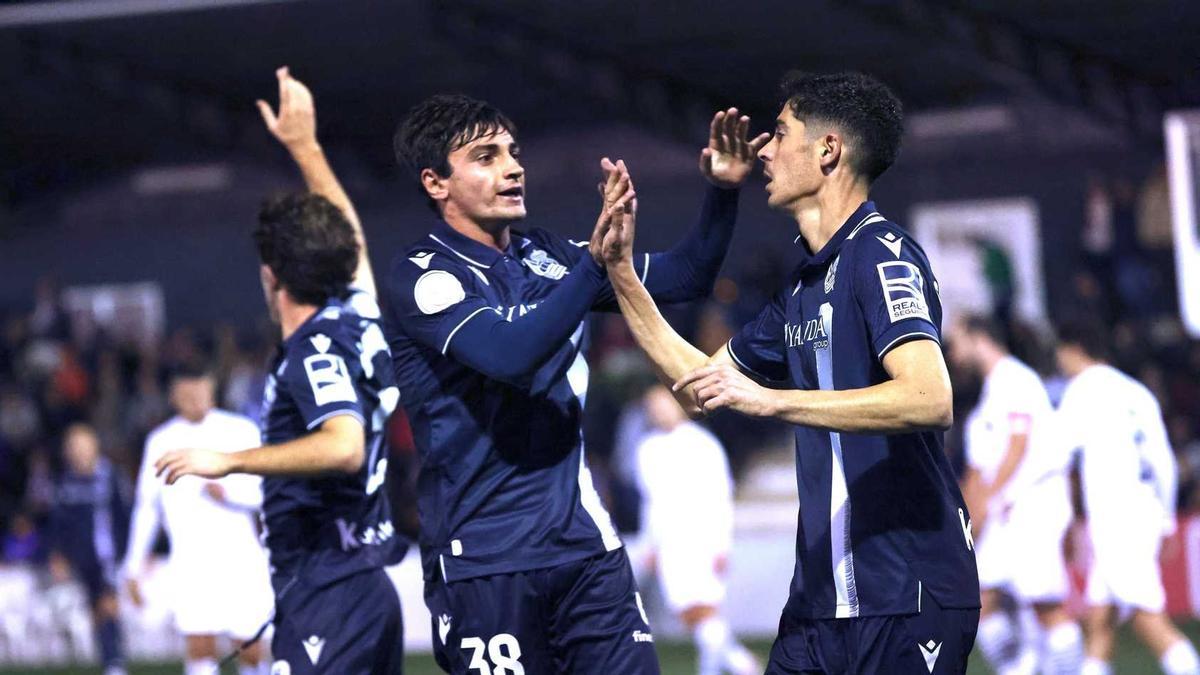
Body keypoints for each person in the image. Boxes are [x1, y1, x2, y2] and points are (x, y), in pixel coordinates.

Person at [595, 70, 980, 674]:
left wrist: (774, 401)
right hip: (818, 604)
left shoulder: (881, 254)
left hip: (906, 592)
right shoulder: (802, 289)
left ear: (828, 150)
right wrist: (621, 275)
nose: (765, 151)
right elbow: (702, 388)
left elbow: (929, 397)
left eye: (780, 133)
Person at [383, 91, 766, 673]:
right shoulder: (425, 275)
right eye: (486, 157)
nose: (512, 167)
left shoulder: (546, 255)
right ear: (436, 183)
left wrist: (722, 191)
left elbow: (686, 275)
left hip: (586, 548)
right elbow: (510, 356)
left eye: (513, 152)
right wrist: (592, 264)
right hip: (486, 558)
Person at [154, 68, 405, 674]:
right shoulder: (357, 318)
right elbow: (353, 244)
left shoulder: (313, 351)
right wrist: (305, 147)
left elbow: (343, 445)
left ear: (272, 277)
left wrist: (230, 460)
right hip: (364, 589)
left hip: (328, 594)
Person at [1054, 320, 1200, 675]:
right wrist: (1166, 520)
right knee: (1099, 619)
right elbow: (1164, 462)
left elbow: (1057, 456)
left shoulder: (1082, 390)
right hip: (1143, 510)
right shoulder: (1138, 393)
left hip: (1115, 518)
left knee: (1147, 619)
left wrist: (1063, 517)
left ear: (1073, 349)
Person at [948, 315, 1081, 674]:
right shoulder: (992, 390)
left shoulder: (1016, 380)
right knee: (982, 598)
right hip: (1008, 509)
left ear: (978, 338)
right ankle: (1021, 667)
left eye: (956, 343)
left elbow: (1018, 446)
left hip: (1034, 503)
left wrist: (990, 497)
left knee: (1044, 605)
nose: (952, 353)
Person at [122, 364, 272, 675]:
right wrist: (132, 566)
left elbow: (267, 492)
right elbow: (146, 508)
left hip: (240, 556)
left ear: (211, 390)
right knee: (199, 645)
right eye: (187, 395)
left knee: (250, 647)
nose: (194, 401)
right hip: (190, 560)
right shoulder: (161, 441)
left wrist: (229, 494)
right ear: (174, 397)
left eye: (200, 393)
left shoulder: (240, 430)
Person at [634, 385, 757, 675]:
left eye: (664, 405)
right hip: (669, 543)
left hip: (701, 538)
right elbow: (650, 502)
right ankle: (742, 664)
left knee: (702, 610)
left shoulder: (703, 445)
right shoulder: (647, 448)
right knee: (691, 614)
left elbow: (721, 497)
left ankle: (722, 668)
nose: (659, 412)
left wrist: (722, 544)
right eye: (653, 408)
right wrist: (649, 543)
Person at [47, 423, 132, 675]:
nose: (79, 451)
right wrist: (59, 554)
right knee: (96, 609)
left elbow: (125, 515)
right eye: (74, 446)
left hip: (108, 554)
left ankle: (114, 663)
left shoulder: (110, 476)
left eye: (84, 445)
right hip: (83, 558)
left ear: (95, 446)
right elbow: (59, 523)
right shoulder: (66, 482)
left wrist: (131, 551)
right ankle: (110, 660)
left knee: (108, 604)